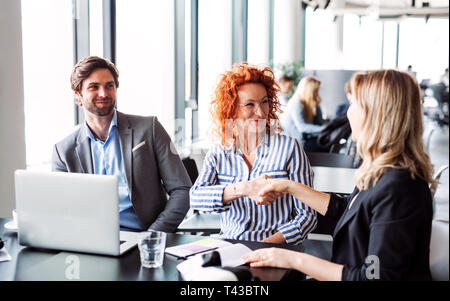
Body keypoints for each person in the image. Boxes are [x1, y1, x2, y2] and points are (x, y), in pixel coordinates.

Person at [243, 69, 436, 280]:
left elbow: (376, 276)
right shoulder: (381, 171)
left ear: (377, 114)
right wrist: (290, 187)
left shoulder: (399, 187)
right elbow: (349, 213)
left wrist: (293, 259)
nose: (347, 113)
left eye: (354, 104)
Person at [52, 56, 191, 232]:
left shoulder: (150, 129)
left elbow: (182, 189)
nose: (103, 93)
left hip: (147, 236)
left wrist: (153, 236)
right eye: (94, 87)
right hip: (92, 240)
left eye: (109, 85)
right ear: (78, 94)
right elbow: (62, 210)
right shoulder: (63, 151)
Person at [189, 63, 317, 245]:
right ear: (231, 109)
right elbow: (195, 198)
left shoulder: (290, 149)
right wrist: (244, 189)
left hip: (276, 249)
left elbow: (307, 217)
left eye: (265, 102)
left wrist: (264, 247)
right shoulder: (219, 151)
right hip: (229, 247)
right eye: (250, 104)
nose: (261, 112)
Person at [280, 76, 327, 152]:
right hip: (294, 144)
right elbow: (302, 127)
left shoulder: (306, 104)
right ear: (309, 91)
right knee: (323, 145)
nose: (317, 94)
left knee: (324, 143)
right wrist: (325, 129)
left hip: (301, 141)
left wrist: (318, 106)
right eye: (315, 91)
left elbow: (319, 123)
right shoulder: (296, 103)